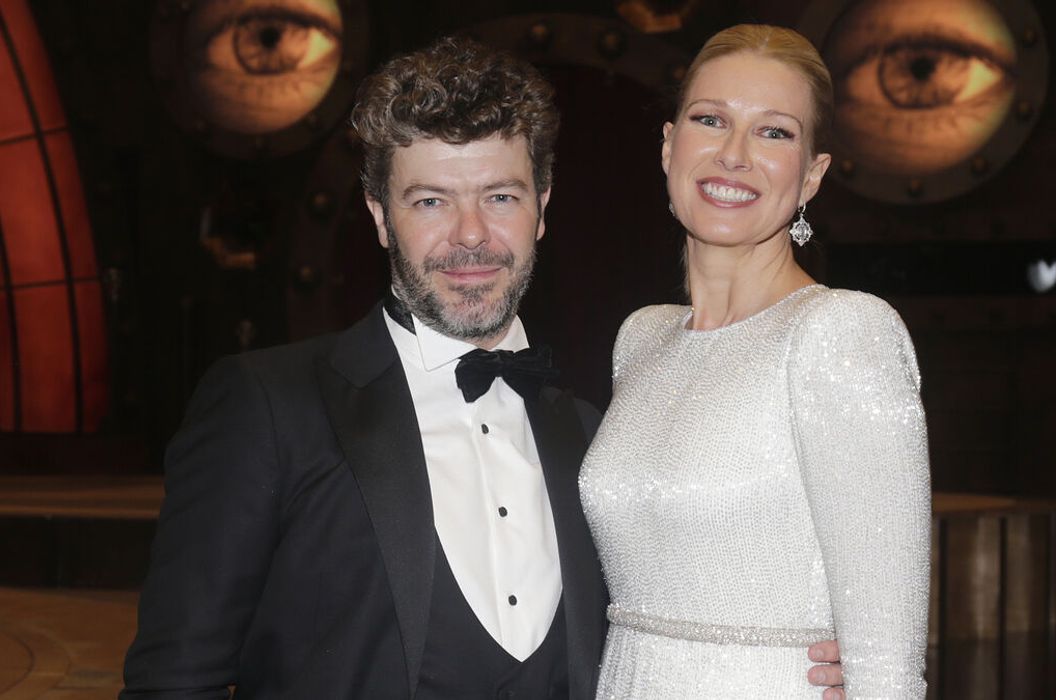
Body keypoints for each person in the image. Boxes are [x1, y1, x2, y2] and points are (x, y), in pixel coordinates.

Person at [120, 34, 850, 699]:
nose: (471, 235)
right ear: (379, 215)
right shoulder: (267, 407)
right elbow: (172, 682)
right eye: (431, 201)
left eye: (500, 197)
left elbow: (673, 607)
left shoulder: (595, 441)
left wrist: (807, 656)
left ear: (542, 208)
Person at [579, 24, 930, 699]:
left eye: (773, 132)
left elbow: (887, 660)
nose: (734, 154)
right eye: (710, 120)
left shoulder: (840, 332)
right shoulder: (642, 339)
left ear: (812, 176)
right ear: (669, 146)